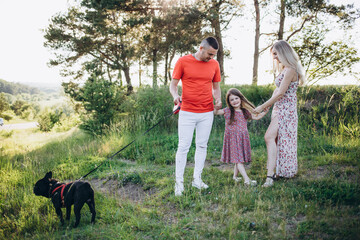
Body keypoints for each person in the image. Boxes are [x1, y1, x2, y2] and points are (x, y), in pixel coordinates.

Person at [169, 36, 222, 196]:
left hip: (207, 112)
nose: (211, 57)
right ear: (201, 48)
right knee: (183, 147)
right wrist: (175, 96)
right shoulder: (183, 61)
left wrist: (218, 98)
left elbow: (216, 87)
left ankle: (197, 180)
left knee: (202, 146)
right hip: (187, 112)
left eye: (214, 55)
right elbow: (173, 85)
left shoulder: (214, 64)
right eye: (210, 54)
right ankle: (179, 184)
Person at [253, 40, 306, 187]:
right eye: (273, 55)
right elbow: (276, 91)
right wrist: (268, 107)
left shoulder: (290, 70)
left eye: (276, 54)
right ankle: (277, 171)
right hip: (279, 109)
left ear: (284, 52)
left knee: (269, 137)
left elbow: (281, 93)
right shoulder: (285, 69)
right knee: (276, 140)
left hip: (286, 111)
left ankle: (270, 176)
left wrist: (262, 106)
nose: (274, 57)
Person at [214, 88, 268, 186]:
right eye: (232, 100)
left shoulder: (245, 111)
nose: (234, 101)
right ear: (229, 102)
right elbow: (216, 112)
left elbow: (256, 117)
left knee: (238, 158)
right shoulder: (227, 111)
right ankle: (247, 180)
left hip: (242, 138)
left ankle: (235, 177)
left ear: (241, 98)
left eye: (236, 98)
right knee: (238, 159)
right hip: (232, 139)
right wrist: (216, 105)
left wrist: (264, 112)